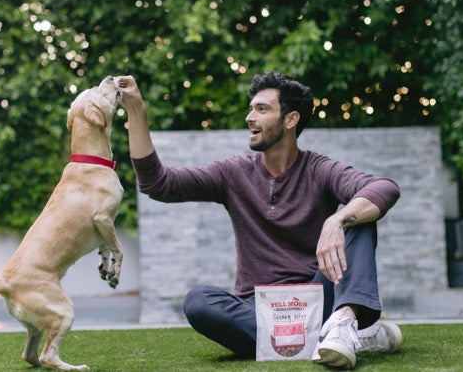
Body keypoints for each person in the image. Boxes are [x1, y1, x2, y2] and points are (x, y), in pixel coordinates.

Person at [118, 72, 403, 369]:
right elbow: (158, 184)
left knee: (360, 219)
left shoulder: (320, 170)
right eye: (251, 108)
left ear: (290, 120)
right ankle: (337, 337)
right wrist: (137, 110)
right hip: (258, 308)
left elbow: (384, 188)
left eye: (262, 109)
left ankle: (339, 324)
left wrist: (338, 220)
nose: (249, 117)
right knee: (198, 300)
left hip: (319, 297)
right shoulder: (232, 173)